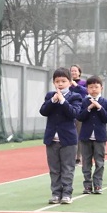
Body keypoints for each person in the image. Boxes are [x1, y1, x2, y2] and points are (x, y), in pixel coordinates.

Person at [40, 67, 82, 204]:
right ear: (53, 82)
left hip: (68, 139)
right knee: (54, 168)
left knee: (68, 168)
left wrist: (63, 101)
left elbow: (74, 113)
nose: (60, 84)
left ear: (70, 82)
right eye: (57, 81)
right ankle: (56, 193)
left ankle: (67, 194)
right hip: (52, 139)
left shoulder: (75, 97)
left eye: (63, 81)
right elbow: (43, 111)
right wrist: (52, 101)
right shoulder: (49, 96)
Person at [76, 75, 107, 194]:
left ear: (101, 88)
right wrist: (89, 108)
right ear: (87, 89)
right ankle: (87, 185)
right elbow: (79, 117)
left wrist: (99, 108)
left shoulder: (106, 103)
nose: (93, 90)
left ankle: (97, 185)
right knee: (86, 162)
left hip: (100, 137)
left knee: (99, 162)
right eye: (91, 87)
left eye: (96, 87)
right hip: (85, 137)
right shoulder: (83, 102)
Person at [70, 64, 88, 165]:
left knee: (78, 134)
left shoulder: (83, 83)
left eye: (75, 71)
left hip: (79, 112)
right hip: (69, 112)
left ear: (79, 72)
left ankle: (78, 156)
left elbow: (86, 92)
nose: (73, 73)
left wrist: (76, 85)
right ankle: (69, 156)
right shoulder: (67, 83)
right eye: (72, 71)